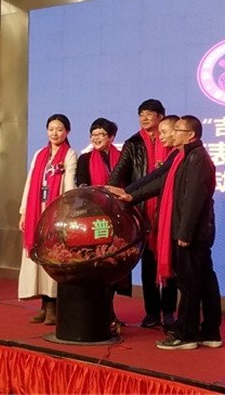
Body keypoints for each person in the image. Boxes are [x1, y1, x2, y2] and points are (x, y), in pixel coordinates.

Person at [116, 115, 222, 350]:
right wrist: (131, 195)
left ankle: (187, 334)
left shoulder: (197, 158)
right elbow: (160, 180)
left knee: (191, 284)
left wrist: (185, 233)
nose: (171, 134)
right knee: (202, 281)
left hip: (192, 233)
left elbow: (194, 199)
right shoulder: (183, 156)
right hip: (192, 231)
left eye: (177, 130)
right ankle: (209, 332)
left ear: (190, 135)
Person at [107, 99, 177, 329]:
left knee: (169, 264)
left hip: (168, 211)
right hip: (142, 211)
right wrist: (110, 192)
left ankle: (169, 312)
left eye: (148, 114)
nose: (144, 118)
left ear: (161, 117)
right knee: (148, 266)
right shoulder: (133, 143)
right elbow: (119, 172)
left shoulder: (174, 142)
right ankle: (152, 312)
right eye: (141, 114)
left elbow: (163, 178)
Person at [18, 114, 77, 325]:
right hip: (36, 211)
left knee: (53, 258)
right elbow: (29, 184)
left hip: (55, 212)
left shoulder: (70, 154)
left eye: (59, 129)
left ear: (67, 132)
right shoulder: (39, 154)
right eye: (51, 129)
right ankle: (44, 305)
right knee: (38, 258)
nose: (55, 133)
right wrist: (24, 212)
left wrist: (66, 213)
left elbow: (69, 185)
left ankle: (53, 305)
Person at [75, 117, 124, 331]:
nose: (96, 138)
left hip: (118, 218)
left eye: (101, 134)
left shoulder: (122, 158)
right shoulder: (84, 159)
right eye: (93, 135)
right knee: (96, 265)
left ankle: (109, 312)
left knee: (113, 265)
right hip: (93, 219)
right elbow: (82, 187)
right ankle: (99, 313)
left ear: (111, 137)